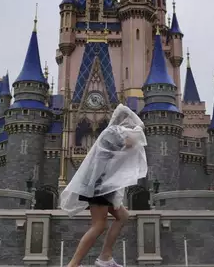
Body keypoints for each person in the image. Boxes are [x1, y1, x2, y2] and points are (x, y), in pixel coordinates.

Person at [60, 104, 148, 267]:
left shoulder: (112, 132)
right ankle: (73, 264)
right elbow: (133, 140)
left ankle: (105, 257)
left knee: (122, 216)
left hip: (104, 184)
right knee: (99, 225)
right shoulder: (113, 133)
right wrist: (138, 124)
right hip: (99, 185)